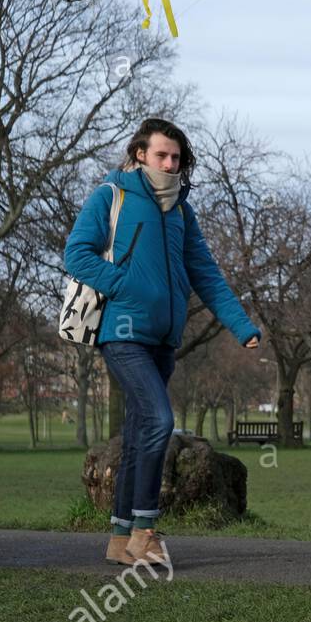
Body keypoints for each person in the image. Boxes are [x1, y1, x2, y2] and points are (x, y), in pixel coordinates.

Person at [64, 118, 261, 568]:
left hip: (164, 340)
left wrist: (241, 325)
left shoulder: (179, 211)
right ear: (140, 154)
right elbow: (76, 253)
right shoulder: (111, 195)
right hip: (123, 332)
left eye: (176, 157)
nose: (170, 163)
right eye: (161, 155)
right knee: (157, 420)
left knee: (138, 435)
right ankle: (145, 531)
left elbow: (206, 274)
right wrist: (126, 286)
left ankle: (119, 539)